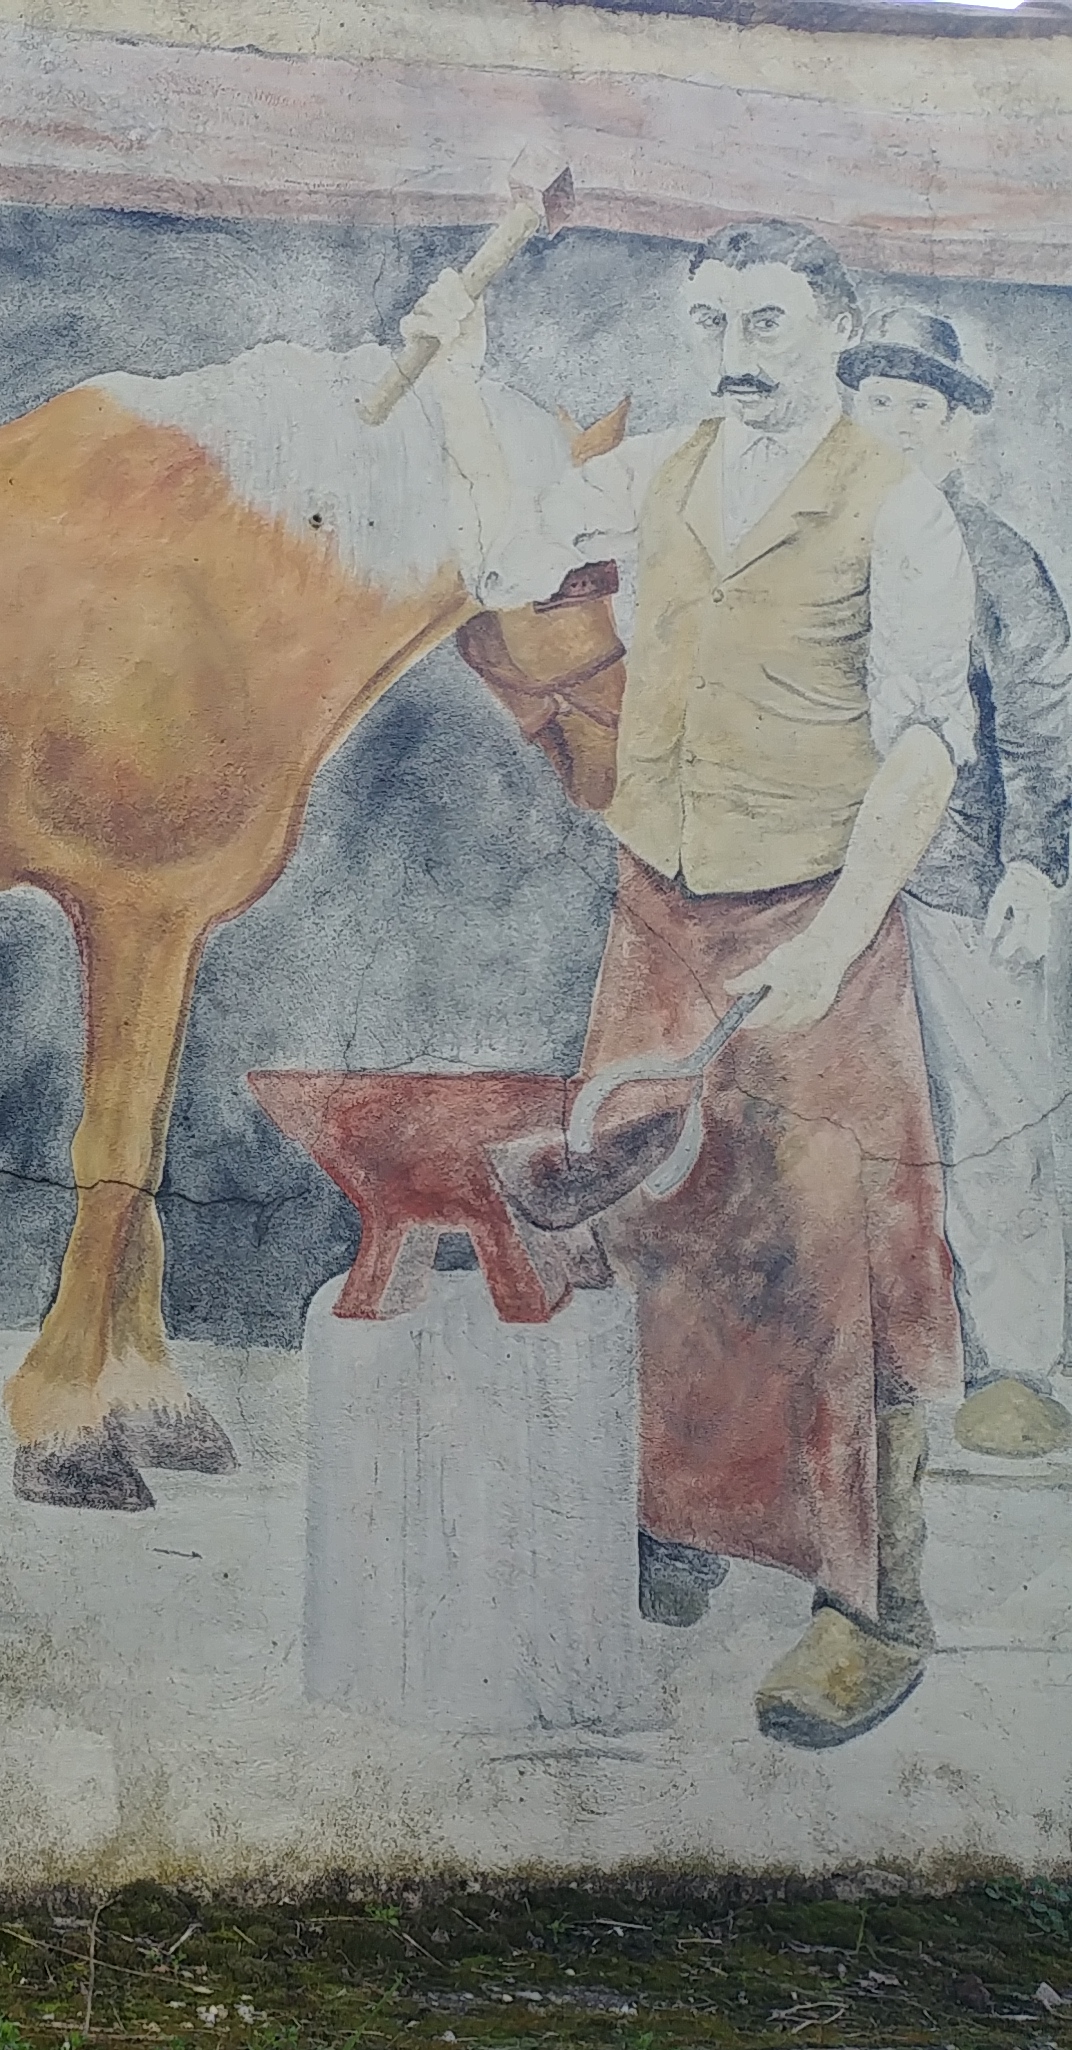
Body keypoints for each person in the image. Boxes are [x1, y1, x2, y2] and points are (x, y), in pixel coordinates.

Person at [411, 219, 975, 1749]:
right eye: (714, 323)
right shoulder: (659, 473)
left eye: (767, 323)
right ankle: (679, 1522)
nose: (735, 353)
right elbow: (509, 560)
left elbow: (928, 742)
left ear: (834, 326)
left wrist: (836, 933)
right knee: (651, 1225)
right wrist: (458, 380)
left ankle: (872, 1613)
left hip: (815, 924)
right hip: (660, 912)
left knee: (840, 1262)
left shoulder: (899, 505)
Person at [842, 310, 1072, 1465]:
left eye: (916, 407)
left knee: (995, 1115)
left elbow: (1044, 718)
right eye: (874, 402)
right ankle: (854, 1364)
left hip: (960, 878)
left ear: (958, 430)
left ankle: (1016, 1364)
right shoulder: (809, 543)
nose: (891, 426)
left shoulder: (995, 556)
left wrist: (1033, 862)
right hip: (821, 882)